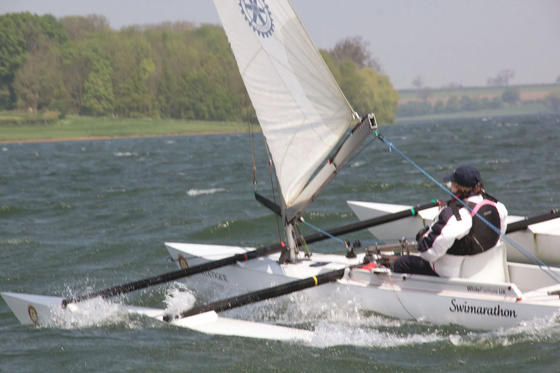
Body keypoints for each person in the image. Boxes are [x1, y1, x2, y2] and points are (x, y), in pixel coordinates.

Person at [393, 165, 508, 278]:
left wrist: (422, 237)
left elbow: (428, 253)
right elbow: (500, 234)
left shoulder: (454, 216)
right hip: (486, 268)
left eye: (452, 184)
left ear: (456, 186)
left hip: (452, 273)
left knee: (402, 262)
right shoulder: (498, 207)